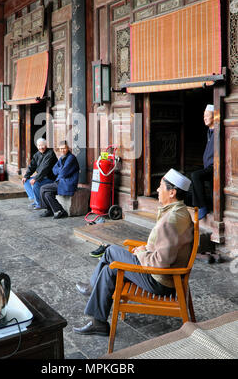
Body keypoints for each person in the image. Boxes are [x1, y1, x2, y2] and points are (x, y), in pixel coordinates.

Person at [73, 168, 193, 337]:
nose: (157, 190)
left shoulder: (172, 219)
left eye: (160, 186)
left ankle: (93, 289)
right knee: (110, 269)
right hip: (161, 273)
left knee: (111, 250)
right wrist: (145, 249)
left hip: (160, 280)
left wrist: (142, 253)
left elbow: (161, 262)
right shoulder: (178, 212)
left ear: (172, 192)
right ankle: (98, 322)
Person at [39, 141, 80, 219]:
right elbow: (54, 170)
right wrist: (61, 169)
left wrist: (60, 169)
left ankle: (49, 210)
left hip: (67, 184)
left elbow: (63, 173)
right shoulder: (62, 158)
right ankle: (58, 210)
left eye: (64, 148)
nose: (62, 150)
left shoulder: (71, 158)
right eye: (61, 149)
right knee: (47, 193)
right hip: (61, 182)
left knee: (43, 188)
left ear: (68, 148)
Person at [191, 104, 214, 220]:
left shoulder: (217, 131)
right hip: (208, 165)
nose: (204, 118)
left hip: (215, 166)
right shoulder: (209, 131)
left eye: (207, 116)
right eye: (204, 116)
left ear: (215, 117)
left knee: (195, 175)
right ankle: (202, 206)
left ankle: (202, 206)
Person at [22, 138, 58, 209]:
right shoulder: (37, 154)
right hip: (41, 177)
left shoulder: (50, 154)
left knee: (35, 183)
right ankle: (35, 200)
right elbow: (32, 166)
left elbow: (45, 168)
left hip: (50, 178)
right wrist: (26, 176)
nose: (40, 148)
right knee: (26, 182)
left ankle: (40, 203)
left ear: (46, 145)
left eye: (42, 145)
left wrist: (36, 178)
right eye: (39, 146)